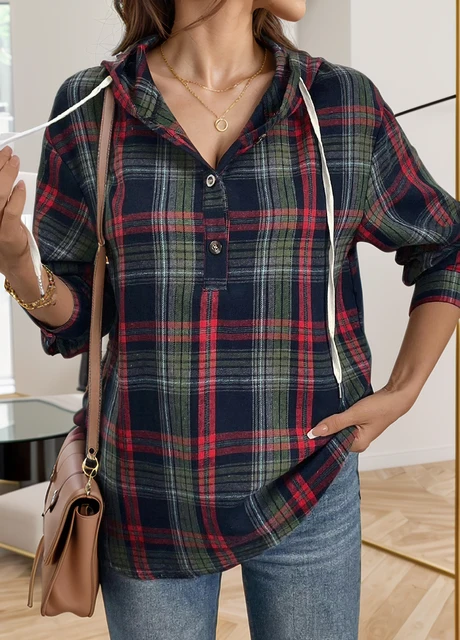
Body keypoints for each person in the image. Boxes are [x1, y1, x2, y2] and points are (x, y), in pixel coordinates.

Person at [1, 0, 460, 638]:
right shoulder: (92, 107)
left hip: (312, 481)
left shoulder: (340, 104)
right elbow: (77, 318)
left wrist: (405, 390)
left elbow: (446, 246)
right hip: (148, 494)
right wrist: (19, 264)